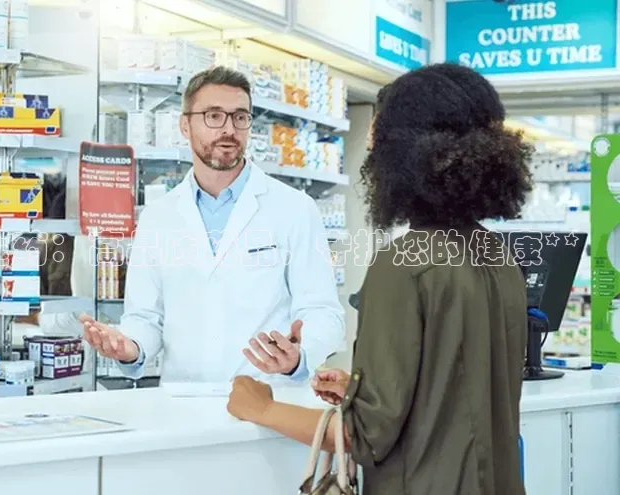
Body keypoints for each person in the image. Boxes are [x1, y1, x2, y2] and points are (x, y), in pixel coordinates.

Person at [226, 62, 534, 495]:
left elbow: (365, 437)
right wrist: (359, 388)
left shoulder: (405, 263)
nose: (371, 150)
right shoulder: (497, 254)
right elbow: (461, 393)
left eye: (378, 139)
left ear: (404, 154)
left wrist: (262, 408)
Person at [80, 66, 346, 383]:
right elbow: (145, 317)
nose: (229, 129)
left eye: (240, 117)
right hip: (183, 399)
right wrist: (130, 347)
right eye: (214, 116)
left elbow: (323, 312)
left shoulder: (295, 209)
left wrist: (299, 356)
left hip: (268, 398)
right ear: (185, 125)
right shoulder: (158, 217)